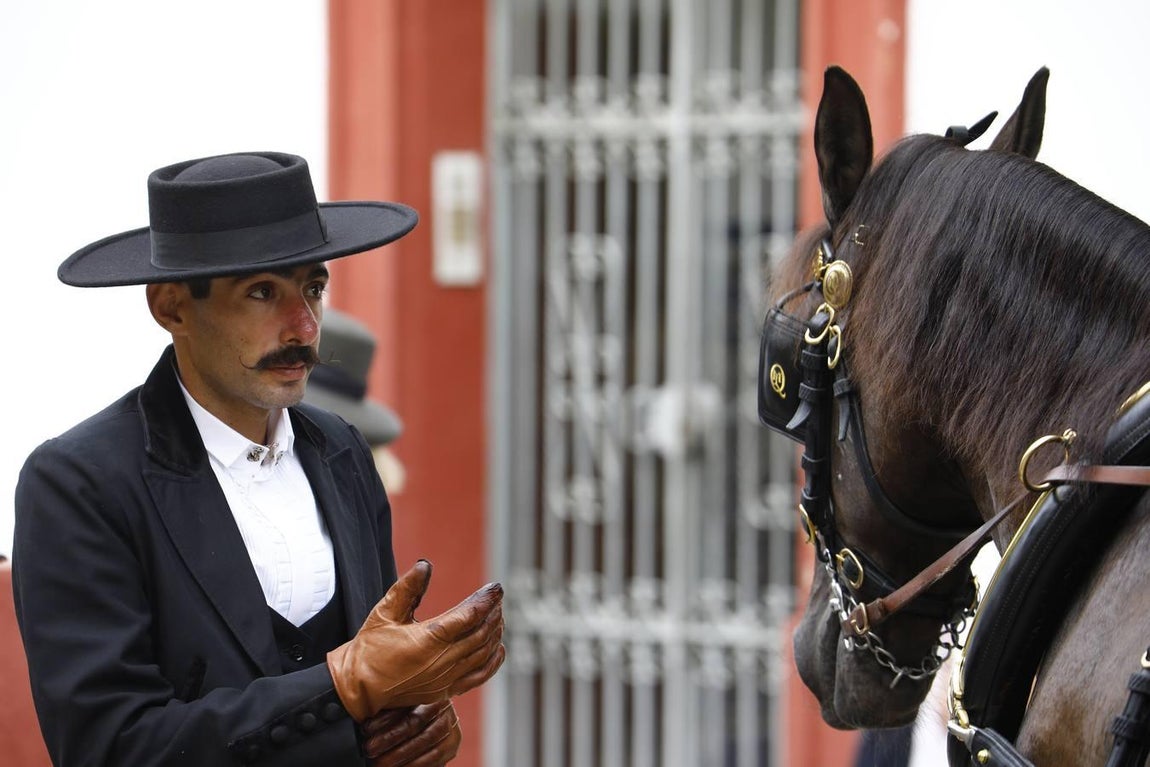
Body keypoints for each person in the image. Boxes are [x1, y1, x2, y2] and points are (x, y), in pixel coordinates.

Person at [11, 151, 505, 767]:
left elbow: (379, 672)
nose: (302, 326)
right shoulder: (81, 483)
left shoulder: (342, 450)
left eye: (314, 288)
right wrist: (347, 684)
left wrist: (416, 721)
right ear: (172, 307)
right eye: (262, 292)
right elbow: (109, 748)